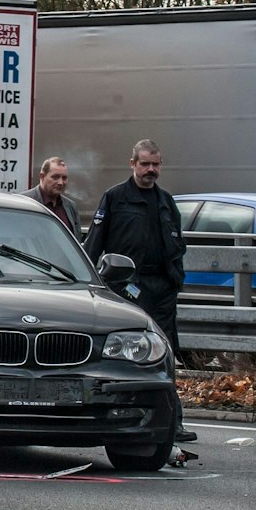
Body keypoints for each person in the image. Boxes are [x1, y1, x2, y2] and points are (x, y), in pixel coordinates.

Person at [84, 139, 194, 443]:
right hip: (128, 288)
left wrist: (175, 279)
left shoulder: (166, 201)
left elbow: (178, 244)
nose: (151, 170)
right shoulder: (115, 198)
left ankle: (173, 422)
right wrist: (87, 281)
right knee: (132, 354)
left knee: (166, 352)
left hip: (162, 288)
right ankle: (123, 416)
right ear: (132, 164)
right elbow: (94, 244)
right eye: (145, 164)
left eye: (155, 164)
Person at [20, 156, 80, 237]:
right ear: (42, 176)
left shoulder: (70, 206)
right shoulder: (24, 202)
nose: (61, 182)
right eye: (55, 177)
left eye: (64, 178)